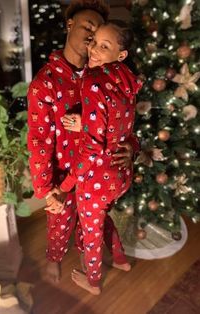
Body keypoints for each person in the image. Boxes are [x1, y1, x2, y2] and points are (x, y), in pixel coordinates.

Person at [27, 0, 138, 284]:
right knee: (60, 222)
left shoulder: (107, 77)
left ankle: (107, 260)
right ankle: (55, 258)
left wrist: (131, 148)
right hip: (65, 173)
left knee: (98, 221)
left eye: (98, 33)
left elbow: (123, 119)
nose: (92, 36)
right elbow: (39, 140)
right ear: (70, 25)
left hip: (96, 174)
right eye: (88, 26)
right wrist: (45, 189)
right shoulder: (45, 83)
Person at [53, 20, 142, 295]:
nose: (93, 50)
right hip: (120, 175)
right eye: (94, 43)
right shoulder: (126, 79)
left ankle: (93, 282)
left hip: (98, 178)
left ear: (121, 54)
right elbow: (120, 125)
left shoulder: (93, 80)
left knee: (91, 233)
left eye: (104, 46)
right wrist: (87, 123)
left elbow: (91, 150)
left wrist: (64, 187)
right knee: (104, 218)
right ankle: (120, 259)